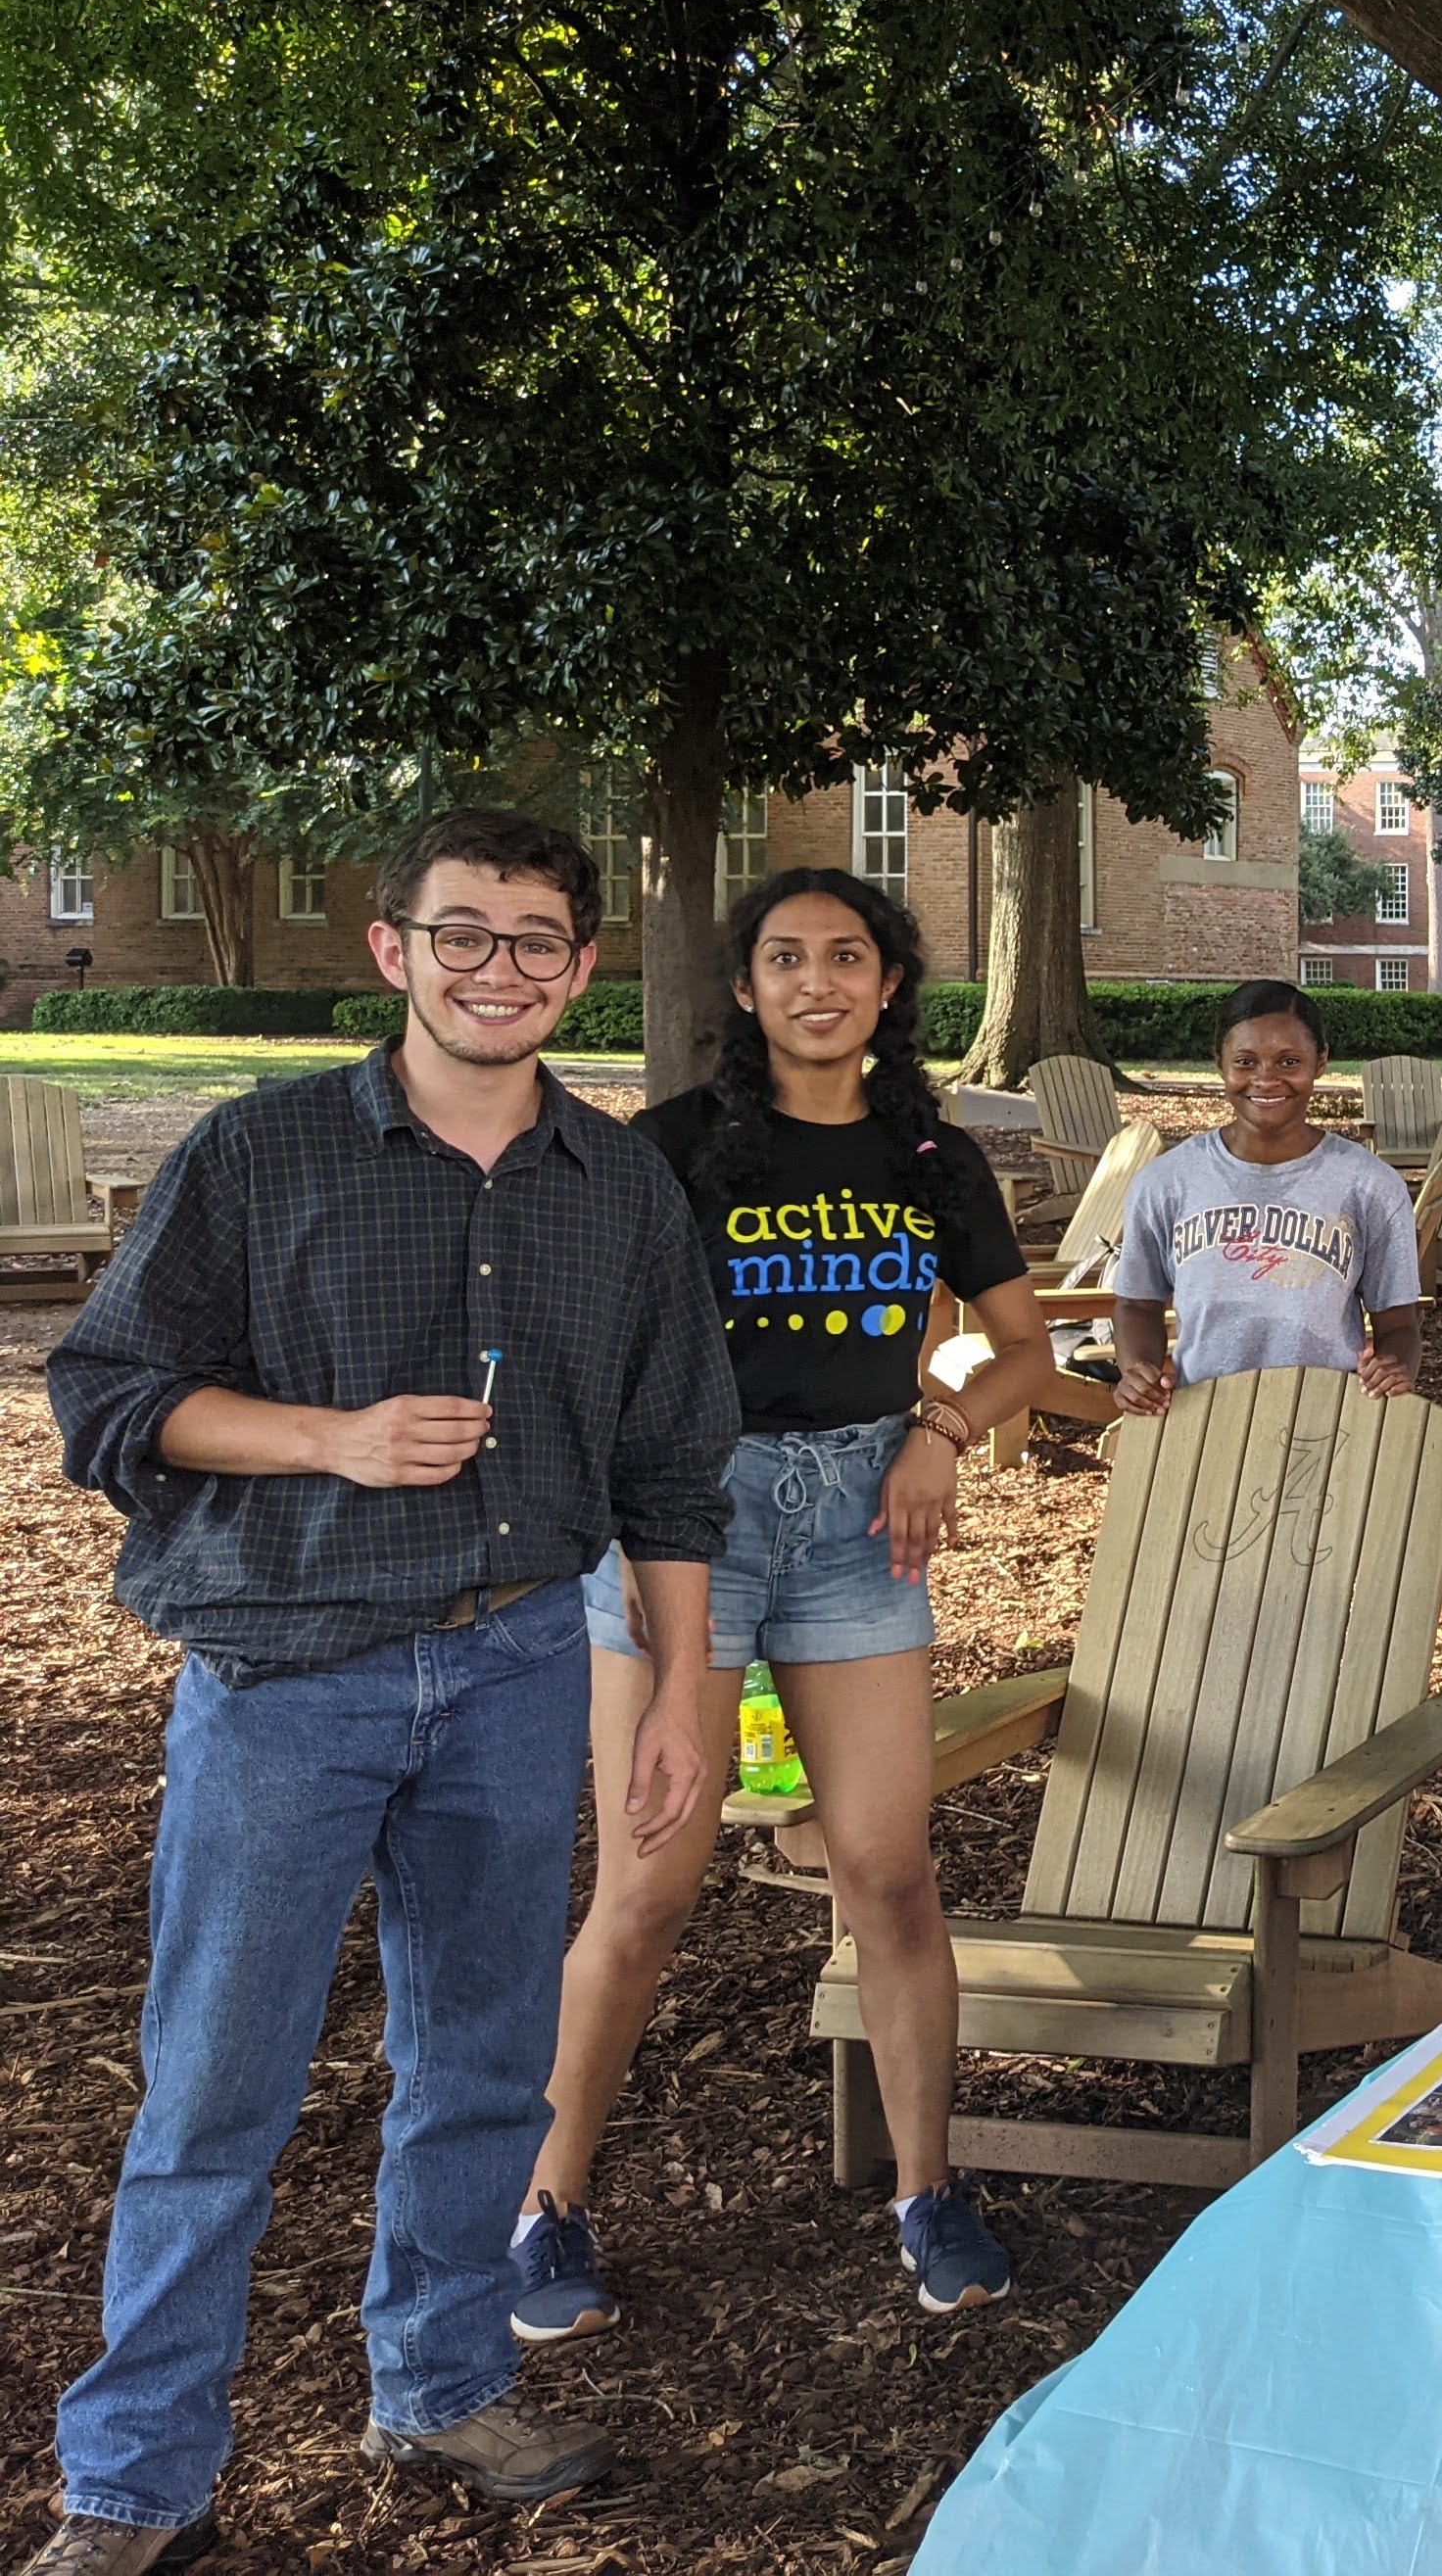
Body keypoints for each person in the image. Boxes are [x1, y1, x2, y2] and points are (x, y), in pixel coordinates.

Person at [30, 810, 739, 2576]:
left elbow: (670, 1459)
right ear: (392, 950)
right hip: (288, 1675)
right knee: (215, 2085)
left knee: (484, 2060)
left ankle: (436, 2378)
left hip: (515, 1663)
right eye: (462, 933)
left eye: (535, 939)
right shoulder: (261, 1156)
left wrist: (679, 1693)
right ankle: (132, 2479)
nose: (498, 966)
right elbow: (108, 1394)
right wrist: (326, 1439)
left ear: (581, 964)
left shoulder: (620, 1183)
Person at [508, 870, 1059, 2348]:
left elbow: (1018, 1350)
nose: (819, 980)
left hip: (861, 1525)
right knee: (650, 1883)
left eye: (850, 957)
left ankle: (927, 2191)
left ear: (891, 988)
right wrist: (629, 1527)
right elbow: (592, 1359)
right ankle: (544, 2203)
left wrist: (942, 1435)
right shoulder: (675, 1150)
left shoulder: (934, 1157)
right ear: (745, 990)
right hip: (692, 1516)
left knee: (888, 1871)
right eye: (786, 958)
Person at [1112, 981, 1422, 1415]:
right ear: (1219, 1064)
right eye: (1245, 1062)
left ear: (1322, 1061)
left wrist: (1393, 1369)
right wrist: (1137, 1372)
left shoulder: (1370, 1185)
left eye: (1289, 1061)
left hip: (1329, 1419)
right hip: (1200, 1419)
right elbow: (1137, 1304)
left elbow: (1400, 1323)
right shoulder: (1166, 1182)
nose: (1266, 1079)